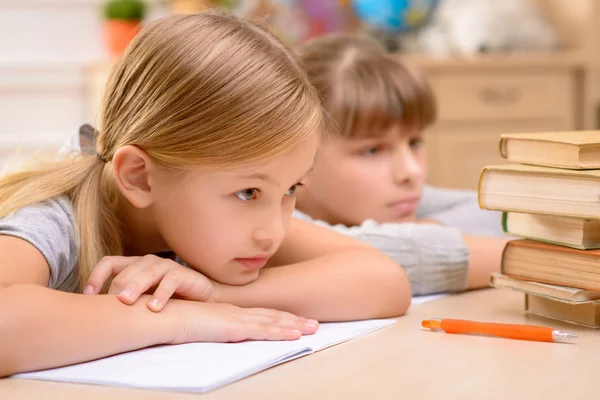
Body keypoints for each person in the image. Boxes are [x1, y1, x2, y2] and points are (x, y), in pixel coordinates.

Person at [0, 14, 410, 377]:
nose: (273, 232)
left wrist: (216, 296)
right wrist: (179, 317)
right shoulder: (53, 221)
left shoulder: (224, 224)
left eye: (290, 189)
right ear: (140, 178)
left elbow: (384, 281)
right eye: (248, 192)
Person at [294, 34, 509, 296]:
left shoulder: (391, 202)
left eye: (414, 142)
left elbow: (504, 212)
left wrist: (422, 230)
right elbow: (399, 259)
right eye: (373, 150)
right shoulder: (270, 223)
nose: (411, 171)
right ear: (297, 154)